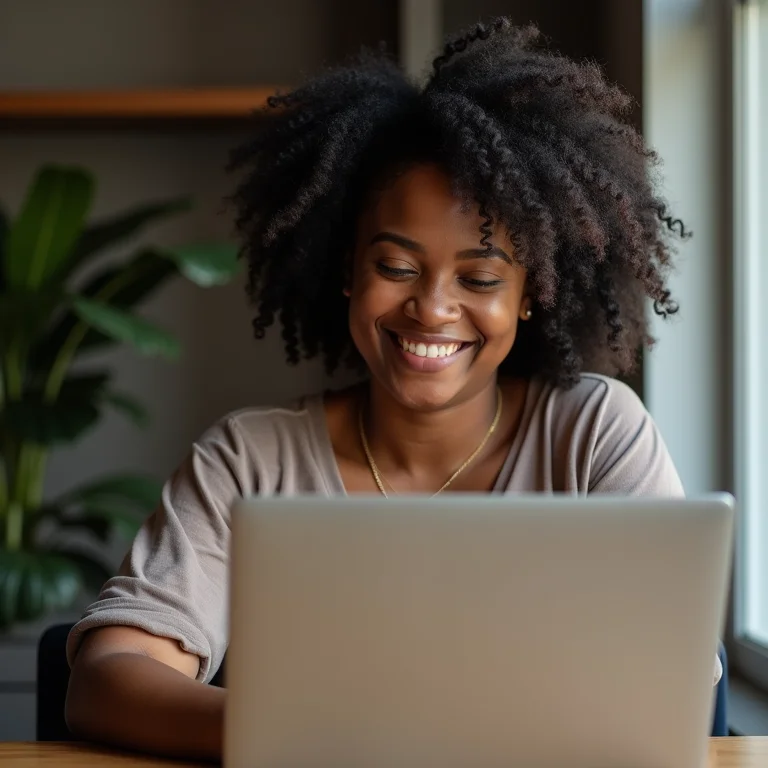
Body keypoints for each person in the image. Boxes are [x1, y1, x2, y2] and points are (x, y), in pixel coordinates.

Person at [65, 19, 713, 762]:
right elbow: (108, 676)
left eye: (479, 278)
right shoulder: (250, 462)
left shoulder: (594, 434)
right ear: (347, 269)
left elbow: (671, 679)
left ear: (530, 294)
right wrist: (313, 742)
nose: (432, 308)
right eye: (397, 267)